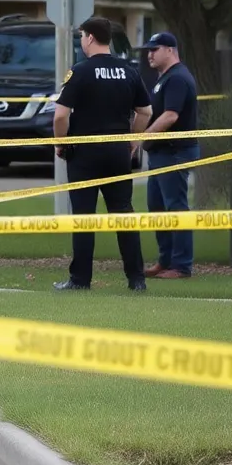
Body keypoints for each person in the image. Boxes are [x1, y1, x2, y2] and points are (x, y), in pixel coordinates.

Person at [51, 16, 154, 292]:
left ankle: (80, 280)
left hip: (84, 153)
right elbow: (145, 111)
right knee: (123, 213)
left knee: (85, 216)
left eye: (83, 36)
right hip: (118, 153)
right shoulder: (129, 71)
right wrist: (132, 140)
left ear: (90, 38)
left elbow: (61, 115)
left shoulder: (80, 71)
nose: (82, 41)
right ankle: (137, 279)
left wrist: (61, 143)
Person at [139, 31, 200, 279]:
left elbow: (170, 116)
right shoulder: (162, 78)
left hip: (174, 152)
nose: (150, 54)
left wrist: (145, 136)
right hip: (161, 153)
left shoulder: (177, 78)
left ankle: (181, 265)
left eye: (155, 49)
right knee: (156, 205)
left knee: (175, 206)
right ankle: (165, 261)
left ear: (170, 51)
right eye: (149, 50)